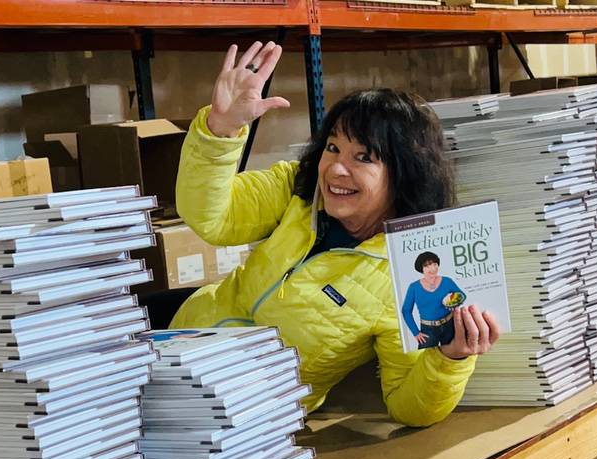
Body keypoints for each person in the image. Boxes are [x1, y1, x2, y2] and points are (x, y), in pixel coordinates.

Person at [167, 40, 501, 427]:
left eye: (363, 157)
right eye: (332, 147)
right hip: (177, 351)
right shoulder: (297, 189)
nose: (337, 170)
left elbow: (409, 407)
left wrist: (451, 360)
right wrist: (220, 130)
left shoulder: (406, 273)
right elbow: (209, 217)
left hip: (243, 417)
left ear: (405, 172)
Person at [401, 252, 467, 350]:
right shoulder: (414, 287)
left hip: (450, 324)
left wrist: (455, 303)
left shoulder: (447, 281)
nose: (432, 268)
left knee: (453, 355)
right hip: (428, 330)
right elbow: (406, 311)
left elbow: (462, 295)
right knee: (424, 358)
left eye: (434, 264)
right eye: (427, 266)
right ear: (421, 269)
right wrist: (415, 332)